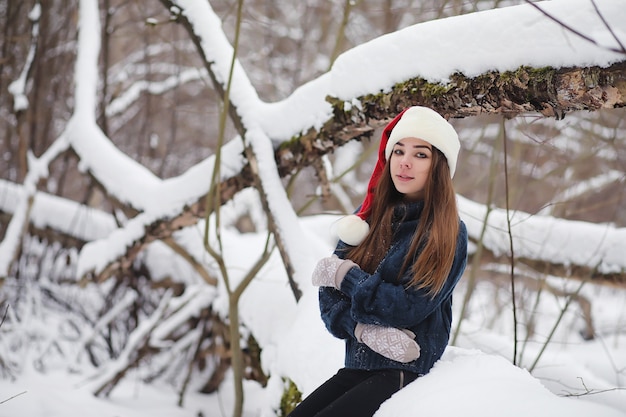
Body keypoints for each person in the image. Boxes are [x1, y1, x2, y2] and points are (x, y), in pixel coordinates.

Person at [288, 106, 468, 417]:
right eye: (398, 151)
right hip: (358, 365)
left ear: (439, 166)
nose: (405, 162)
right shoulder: (369, 216)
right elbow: (327, 297)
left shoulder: (446, 232)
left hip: (403, 373)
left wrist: (347, 276)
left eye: (420, 154)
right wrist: (363, 331)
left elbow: (405, 307)